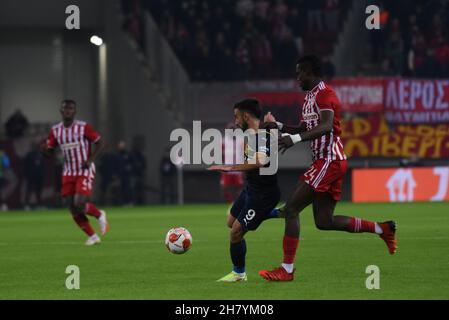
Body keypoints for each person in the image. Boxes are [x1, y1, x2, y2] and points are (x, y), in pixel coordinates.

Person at [259, 55, 397, 281]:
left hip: (329, 159)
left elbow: (325, 127)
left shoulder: (325, 94)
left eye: (299, 73)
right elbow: (305, 127)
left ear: (310, 72)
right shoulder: (309, 98)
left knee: (292, 209)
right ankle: (383, 229)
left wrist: (292, 140)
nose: (297, 78)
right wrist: (280, 126)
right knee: (324, 222)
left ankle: (287, 270)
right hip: (327, 161)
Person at [208, 99, 281, 282]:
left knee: (235, 232)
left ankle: (239, 274)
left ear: (246, 115)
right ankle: (272, 213)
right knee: (229, 221)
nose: (235, 121)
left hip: (263, 195)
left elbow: (261, 161)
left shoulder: (261, 135)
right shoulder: (254, 133)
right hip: (251, 189)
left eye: (236, 116)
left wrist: (231, 168)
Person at [40, 100, 108, 246]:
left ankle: (99, 214)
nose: (68, 111)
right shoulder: (56, 131)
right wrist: (44, 150)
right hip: (68, 171)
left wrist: (90, 159)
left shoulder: (83, 127)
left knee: (79, 203)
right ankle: (93, 236)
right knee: (71, 206)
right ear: (61, 111)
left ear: (75, 111)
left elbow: (101, 143)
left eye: (71, 108)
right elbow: (49, 153)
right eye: (65, 108)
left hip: (84, 170)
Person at [220, 123, 244, 203]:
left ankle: (238, 201)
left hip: (238, 168)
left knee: (239, 186)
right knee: (224, 186)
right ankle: (230, 201)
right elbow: (221, 154)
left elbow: (245, 153)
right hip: (228, 167)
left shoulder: (240, 140)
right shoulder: (224, 140)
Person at [24, 142, 45, 209]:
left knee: (38, 191)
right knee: (29, 190)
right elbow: (26, 166)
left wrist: (42, 174)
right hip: (31, 176)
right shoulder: (29, 155)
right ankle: (26, 204)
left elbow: (42, 166)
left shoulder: (40, 155)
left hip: (39, 176)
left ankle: (39, 204)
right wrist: (27, 175)